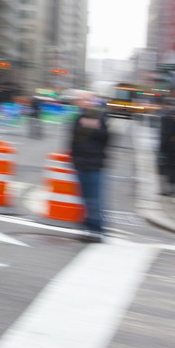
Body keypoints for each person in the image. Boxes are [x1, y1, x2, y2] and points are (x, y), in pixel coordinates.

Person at [70, 90, 110, 243]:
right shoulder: (78, 118)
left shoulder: (100, 118)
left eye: (87, 100)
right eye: (81, 100)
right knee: (85, 198)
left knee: (95, 200)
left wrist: (93, 125)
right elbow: (73, 141)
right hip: (80, 164)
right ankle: (86, 228)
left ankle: (97, 230)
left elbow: (106, 138)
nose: (83, 102)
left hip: (94, 164)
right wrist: (74, 160)